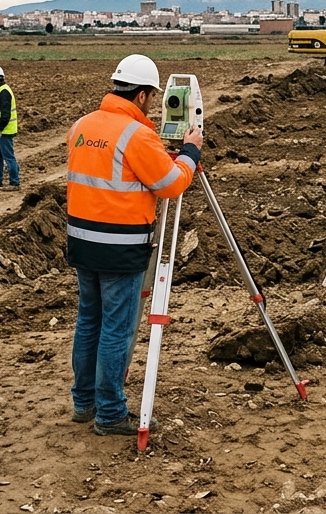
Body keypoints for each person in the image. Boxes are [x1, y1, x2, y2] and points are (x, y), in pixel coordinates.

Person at [66, 54, 202, 436]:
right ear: (142, 95)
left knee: (89, 321)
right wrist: (190, 153)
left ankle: (84, 402)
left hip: (82, 241)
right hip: (120, 247)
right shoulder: (137, 135)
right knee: (115, 328)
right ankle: (110, 413)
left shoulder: (81, 125)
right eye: (153, 97)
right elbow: (171, 184)